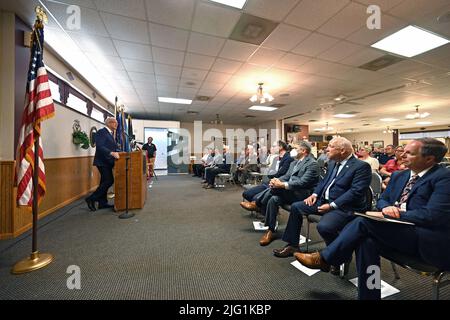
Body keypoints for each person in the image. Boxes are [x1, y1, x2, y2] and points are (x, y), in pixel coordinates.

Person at [295, 138, 450, 300]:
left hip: (426, 239)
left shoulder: (444, 178)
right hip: (396, 231)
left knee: (363, 222)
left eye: (409, 153)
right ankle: (369, 295)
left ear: (429, 159)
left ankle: (326, 258)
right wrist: (385, 208)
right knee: (366, 242)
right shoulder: (399, 175)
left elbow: (433, 216)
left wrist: (393, 213)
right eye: (403, 150)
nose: (402, 155)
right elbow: (383, 199)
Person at [272, 137, 371, 265]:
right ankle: (293, 245)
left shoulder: (361, 166)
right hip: (324, 201)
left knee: (324, 227)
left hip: (345, 207)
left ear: (342, 150)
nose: (326, 149)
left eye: (330, 146)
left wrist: (331, 205)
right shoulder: (332, 163)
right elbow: (324, 182)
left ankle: (339, 256)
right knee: (297, 207)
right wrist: (314, 194)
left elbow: (355, 192)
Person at [257, 141, 319, 246]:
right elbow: (286, 176)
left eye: (297, 148)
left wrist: (282, 185)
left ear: (304, 151)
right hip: (288, 192)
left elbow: (303, 182)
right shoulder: (294, 162)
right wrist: (276, 180)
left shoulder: (312, 163)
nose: (294, 150)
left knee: (275, 190)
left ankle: (258, 202)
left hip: (301, 194)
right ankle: (271, 230)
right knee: (273, 199)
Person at [240, 141, 293, 210]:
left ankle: (261, 208)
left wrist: (272, 173)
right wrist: (272, 173)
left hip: (277, 185)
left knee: (255, 198)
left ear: (280, 147)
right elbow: (270, 172)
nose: (272, 148)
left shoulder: (289, 159)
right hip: (269, 182)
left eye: (274, 146)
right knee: (246, 194)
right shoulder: (275, 158)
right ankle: (261, 208)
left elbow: (282, 173)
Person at [85, 117, 120, 211]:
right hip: (102, 161)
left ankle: (102, 203)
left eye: (116, 123)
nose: (116, 124)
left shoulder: (110, 133)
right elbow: (100, 146)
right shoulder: (101, 132)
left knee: (104, 181)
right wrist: (111, 153)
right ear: (108, 123)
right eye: (114, 122)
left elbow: (113, 147)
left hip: (108, 161)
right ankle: (91, 198)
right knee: (109, 181)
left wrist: (120, 152)